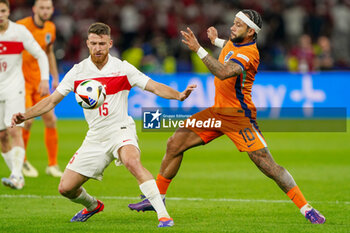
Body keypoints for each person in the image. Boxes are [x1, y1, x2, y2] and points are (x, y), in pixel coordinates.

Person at [128, 9, 326, 224]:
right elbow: (229, 48)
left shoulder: (249, 54)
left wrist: (199, 49)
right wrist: (216, 41)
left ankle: (306, 208)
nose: (232, 27)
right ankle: (158, 198)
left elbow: (223, 71)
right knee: (175, 143)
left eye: (238, 25)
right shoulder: (236, 42)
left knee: (266, 163)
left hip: (238, 116)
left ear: (251, 32)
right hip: (217, 111)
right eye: (234, 22)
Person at [12, 22, 196, 227]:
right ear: (87, 44)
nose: (97, 48)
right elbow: (52, 100)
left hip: (120, 129)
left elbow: (153, 86)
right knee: (66, 188)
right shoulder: (78, 72)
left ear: (110, 43)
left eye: (101, 43)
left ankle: (163, 215)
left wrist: (178, 95)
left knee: (132, 161)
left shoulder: (122, 68)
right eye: (93, 43)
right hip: (95, 136)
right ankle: (92, 205)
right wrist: (26, 115)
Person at [0, 0, 49, 190]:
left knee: (14, 129)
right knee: (2, 137)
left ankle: (16, 175)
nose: (0, 14)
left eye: (3, 10)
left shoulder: (18, 32)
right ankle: (17, 175)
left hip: (14, 88)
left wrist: (44, 79)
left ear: (8, 11)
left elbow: (40, 54)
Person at [17, 0, 62, 178]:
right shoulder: (21, 27)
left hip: (40, 81)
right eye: (41, 8)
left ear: (51, 10)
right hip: (21, 81)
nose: (45, 11)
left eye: (48, 8)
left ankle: (52, 164)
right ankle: (22, 161)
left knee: (51, 119)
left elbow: (49, 52)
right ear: (34, 9)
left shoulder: (50, 28)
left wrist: (55, 77)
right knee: (27, 120)